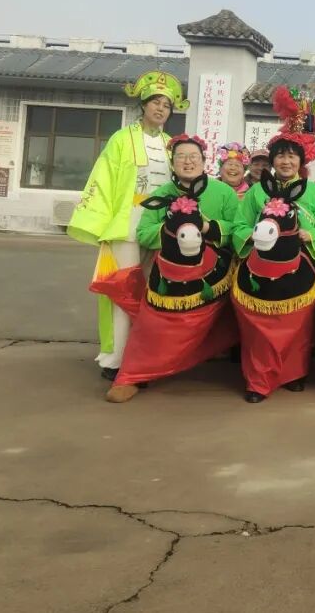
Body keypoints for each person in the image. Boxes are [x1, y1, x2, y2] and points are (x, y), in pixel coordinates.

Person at [68, 70, 185, 380]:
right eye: (155, 102)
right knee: (124, 292)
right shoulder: (121, 139)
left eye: (167, 105)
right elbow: (103, 179)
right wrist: (101, 223)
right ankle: (116, 359)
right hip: (126, 224)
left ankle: (143, 358)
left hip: (159, 226)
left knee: (152, 292)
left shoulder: (171, 144)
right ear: (143, 105)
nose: (161, 109)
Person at [105, 135, 239, 402]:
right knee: (151, 325)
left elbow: (236, 228)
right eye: (181, 157)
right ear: (172, 162)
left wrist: (205, 227)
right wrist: (172, 229)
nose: (188, 162)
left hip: (212, 271)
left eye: (193, 157)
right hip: (170, 272)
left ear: (204, 161)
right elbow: (144, 233)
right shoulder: (162, 194)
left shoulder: (223, 192)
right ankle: (134, 374)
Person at [231, 96, 315, 402]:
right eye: (281, 156)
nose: (286, 162)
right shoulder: (257, 191)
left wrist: (310, 234)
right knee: (257, 329)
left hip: (300, 268)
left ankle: (293, 373)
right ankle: (258, 380)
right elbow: (239, 226)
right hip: (261, 268)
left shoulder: (314, 191)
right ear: (273, 160)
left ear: (301, 162)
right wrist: (253, 236)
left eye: (292, 157)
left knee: (298, 326)